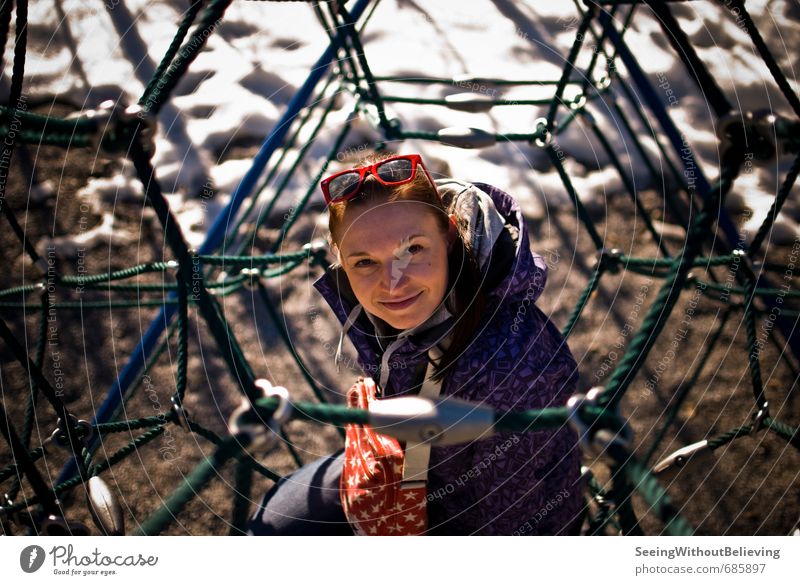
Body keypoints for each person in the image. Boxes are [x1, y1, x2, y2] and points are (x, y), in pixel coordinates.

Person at [248, 152, 584, 535]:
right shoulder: (397, 313)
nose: (392, 282)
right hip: (409, 471)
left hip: (484, 524)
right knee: (272, 524)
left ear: (450, 235)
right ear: (341, 261)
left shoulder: (516, 369)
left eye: (412, 249)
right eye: (364, 262)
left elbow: (511, 527)